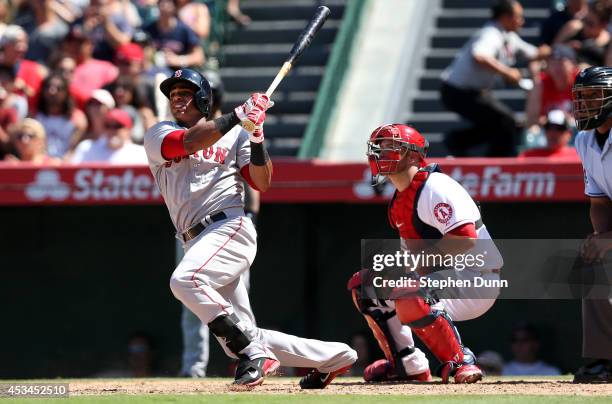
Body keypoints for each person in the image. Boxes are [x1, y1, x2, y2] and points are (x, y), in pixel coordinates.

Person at [143, 68, 356, 388]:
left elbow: (262, 181)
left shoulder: (236, 134)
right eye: (173, 95)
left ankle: (253, 353)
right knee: (242, 328)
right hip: (194, 239)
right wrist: (240, 114)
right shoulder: (159, 133)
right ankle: (335, 355)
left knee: (185, 281)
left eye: (185, 94)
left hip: (229, 226)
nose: (178, 101)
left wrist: (256, 135)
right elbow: (189, 142)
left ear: (203, 98)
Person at [348, 123, 504, 383]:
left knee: (411, 291)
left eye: (390, 148)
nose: (381, 154)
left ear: (412, 154)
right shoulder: (400, 200)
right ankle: (407, 364)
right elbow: (421, 264)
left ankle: (461, 362)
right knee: (364, 286)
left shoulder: (435, 186)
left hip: (478, 277)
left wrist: (412, 276)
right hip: (447, 276)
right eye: (379, 148)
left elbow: (464, 239)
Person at [440, 0, 550, 157]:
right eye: (518, 17)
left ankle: (461, 143)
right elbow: (480, 56)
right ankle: (484, 156)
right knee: (505, 122)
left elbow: (532, 53)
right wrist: (507, 72)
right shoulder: (491, 33)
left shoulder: (508, 36)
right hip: (457, 91)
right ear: (505, 17)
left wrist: (549, 51)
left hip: (473, 91)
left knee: (502, 124)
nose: (522, 21)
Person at [570, 65, 612, 383]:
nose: (584, 104)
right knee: (592, 263)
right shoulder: (584, 141)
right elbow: (599, 201)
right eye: (580, 97)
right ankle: (604, 360)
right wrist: (600, 236)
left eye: (593, 96)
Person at [525, 45, 579, 131]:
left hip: (574, 131)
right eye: (553, 63)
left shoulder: (580, 82)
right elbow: (531, 121)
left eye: (561, 63)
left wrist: (567, 120)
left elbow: (589, 119)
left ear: (572, 64)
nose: (556, 68)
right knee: (532, 132)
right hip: (549, 131)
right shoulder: (541, 83)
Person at [143, 0, 205, 70]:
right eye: (162, 3)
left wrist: (179, 60)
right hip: (153, 72)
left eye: (169, 3)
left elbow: (199, 57)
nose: (165, 6)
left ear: (175, 7)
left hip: (178, 74)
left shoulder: (184, 29)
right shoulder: (148, 29)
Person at [71, 108, 147, 164]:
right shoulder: (87, 148)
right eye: (108, 126)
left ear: (128, 130)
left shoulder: (140, 153)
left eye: (117, 126)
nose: (112, 130)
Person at [555, 0, 612, 67]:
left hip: (591, 75)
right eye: (584, 20)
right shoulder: (573, 27)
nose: (585, 27)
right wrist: (567, 46)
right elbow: (552, 51)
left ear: (603, 25)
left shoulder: (609, 42)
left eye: (590, 24)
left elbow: (608, 69)